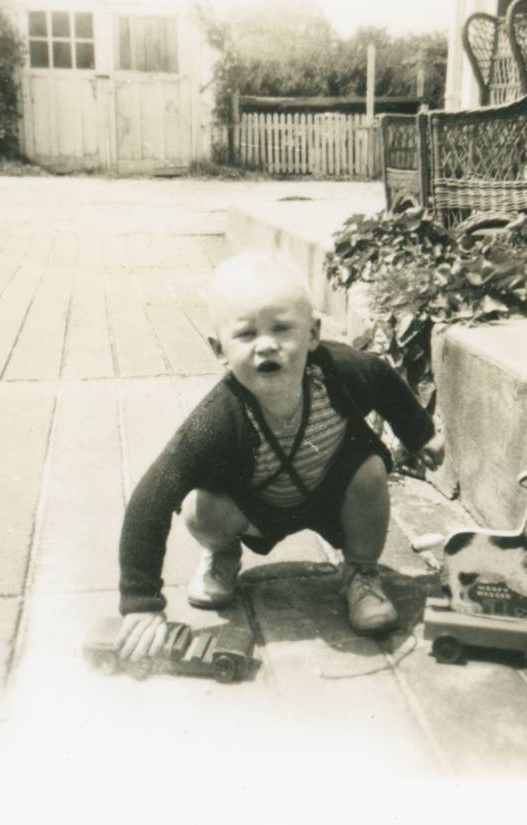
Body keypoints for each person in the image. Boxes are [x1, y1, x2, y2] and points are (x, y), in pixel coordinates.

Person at [115, 250, 444, 662]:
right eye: (247, 335)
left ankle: (360, 571)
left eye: (282, 329)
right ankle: (222, 554)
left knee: (370, 471)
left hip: (332, 495)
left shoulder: (339, 372)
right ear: (220, 349)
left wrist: (419, 434)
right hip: (257, 509)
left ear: (312, 333)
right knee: (199, 508)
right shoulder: (218, 418)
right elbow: (152, 496)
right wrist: (141, 603)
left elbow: (382, 379)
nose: (266, 345)